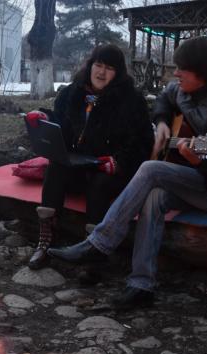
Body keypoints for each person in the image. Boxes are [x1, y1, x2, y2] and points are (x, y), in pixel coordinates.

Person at [48, 36, 207, 310]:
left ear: (204, 73)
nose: (175, 73)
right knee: (155, 195)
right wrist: (162, 122)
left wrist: (198, 161)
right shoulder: (189, 88)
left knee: (150, 169)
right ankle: (141, 285)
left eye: (181, 69)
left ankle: (99, 243)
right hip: (194, 181)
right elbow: (166, 96)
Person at [27, 44, 154, 269]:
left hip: (111, 170)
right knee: (56, 166)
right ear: (90, 65)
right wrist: (43, 117)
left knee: (100, 182)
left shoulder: (132, 101)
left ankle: (94, 252)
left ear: (118, 72)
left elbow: (142, 142)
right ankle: (46, 241)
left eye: (109, 68)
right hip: (78, 164)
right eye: (98, 65)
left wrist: (119, 162)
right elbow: (61, 125)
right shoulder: (71, 92)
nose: (101, 72)